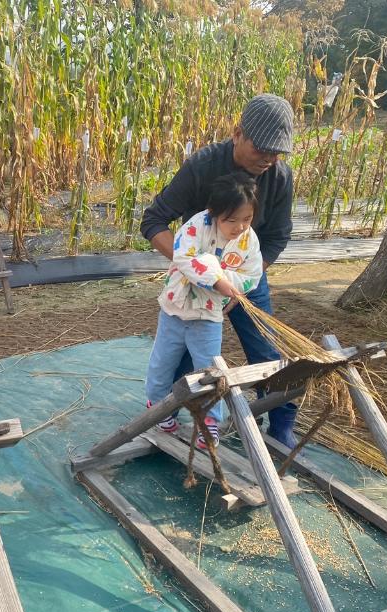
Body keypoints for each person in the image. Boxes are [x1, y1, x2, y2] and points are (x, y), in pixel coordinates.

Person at [140, 93, 299, 448]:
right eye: (262, 149)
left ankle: (282, 422)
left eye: (277, 153)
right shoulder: (202, 166)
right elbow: (153, 221)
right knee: (180, 354)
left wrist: (238, 284)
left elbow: (277, 236)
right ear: (237, 133)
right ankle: (167, 411)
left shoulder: (279, 176)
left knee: (265, 350)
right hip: (193, 279)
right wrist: (192, 270)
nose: (270, 159)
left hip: (245, 275)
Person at [146, 173, 263, 447]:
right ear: (214, 213)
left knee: (209, 368)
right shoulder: (196, 225)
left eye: (246, 219)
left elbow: (252, 274)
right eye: (231, 220)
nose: (239, 227)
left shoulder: (249, 240)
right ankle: (156, 406)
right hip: (176, 307)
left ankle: (210, 420)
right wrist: (216, 278)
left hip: (209, 315)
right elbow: (184, 258)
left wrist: (227, 282)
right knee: (163, 362)